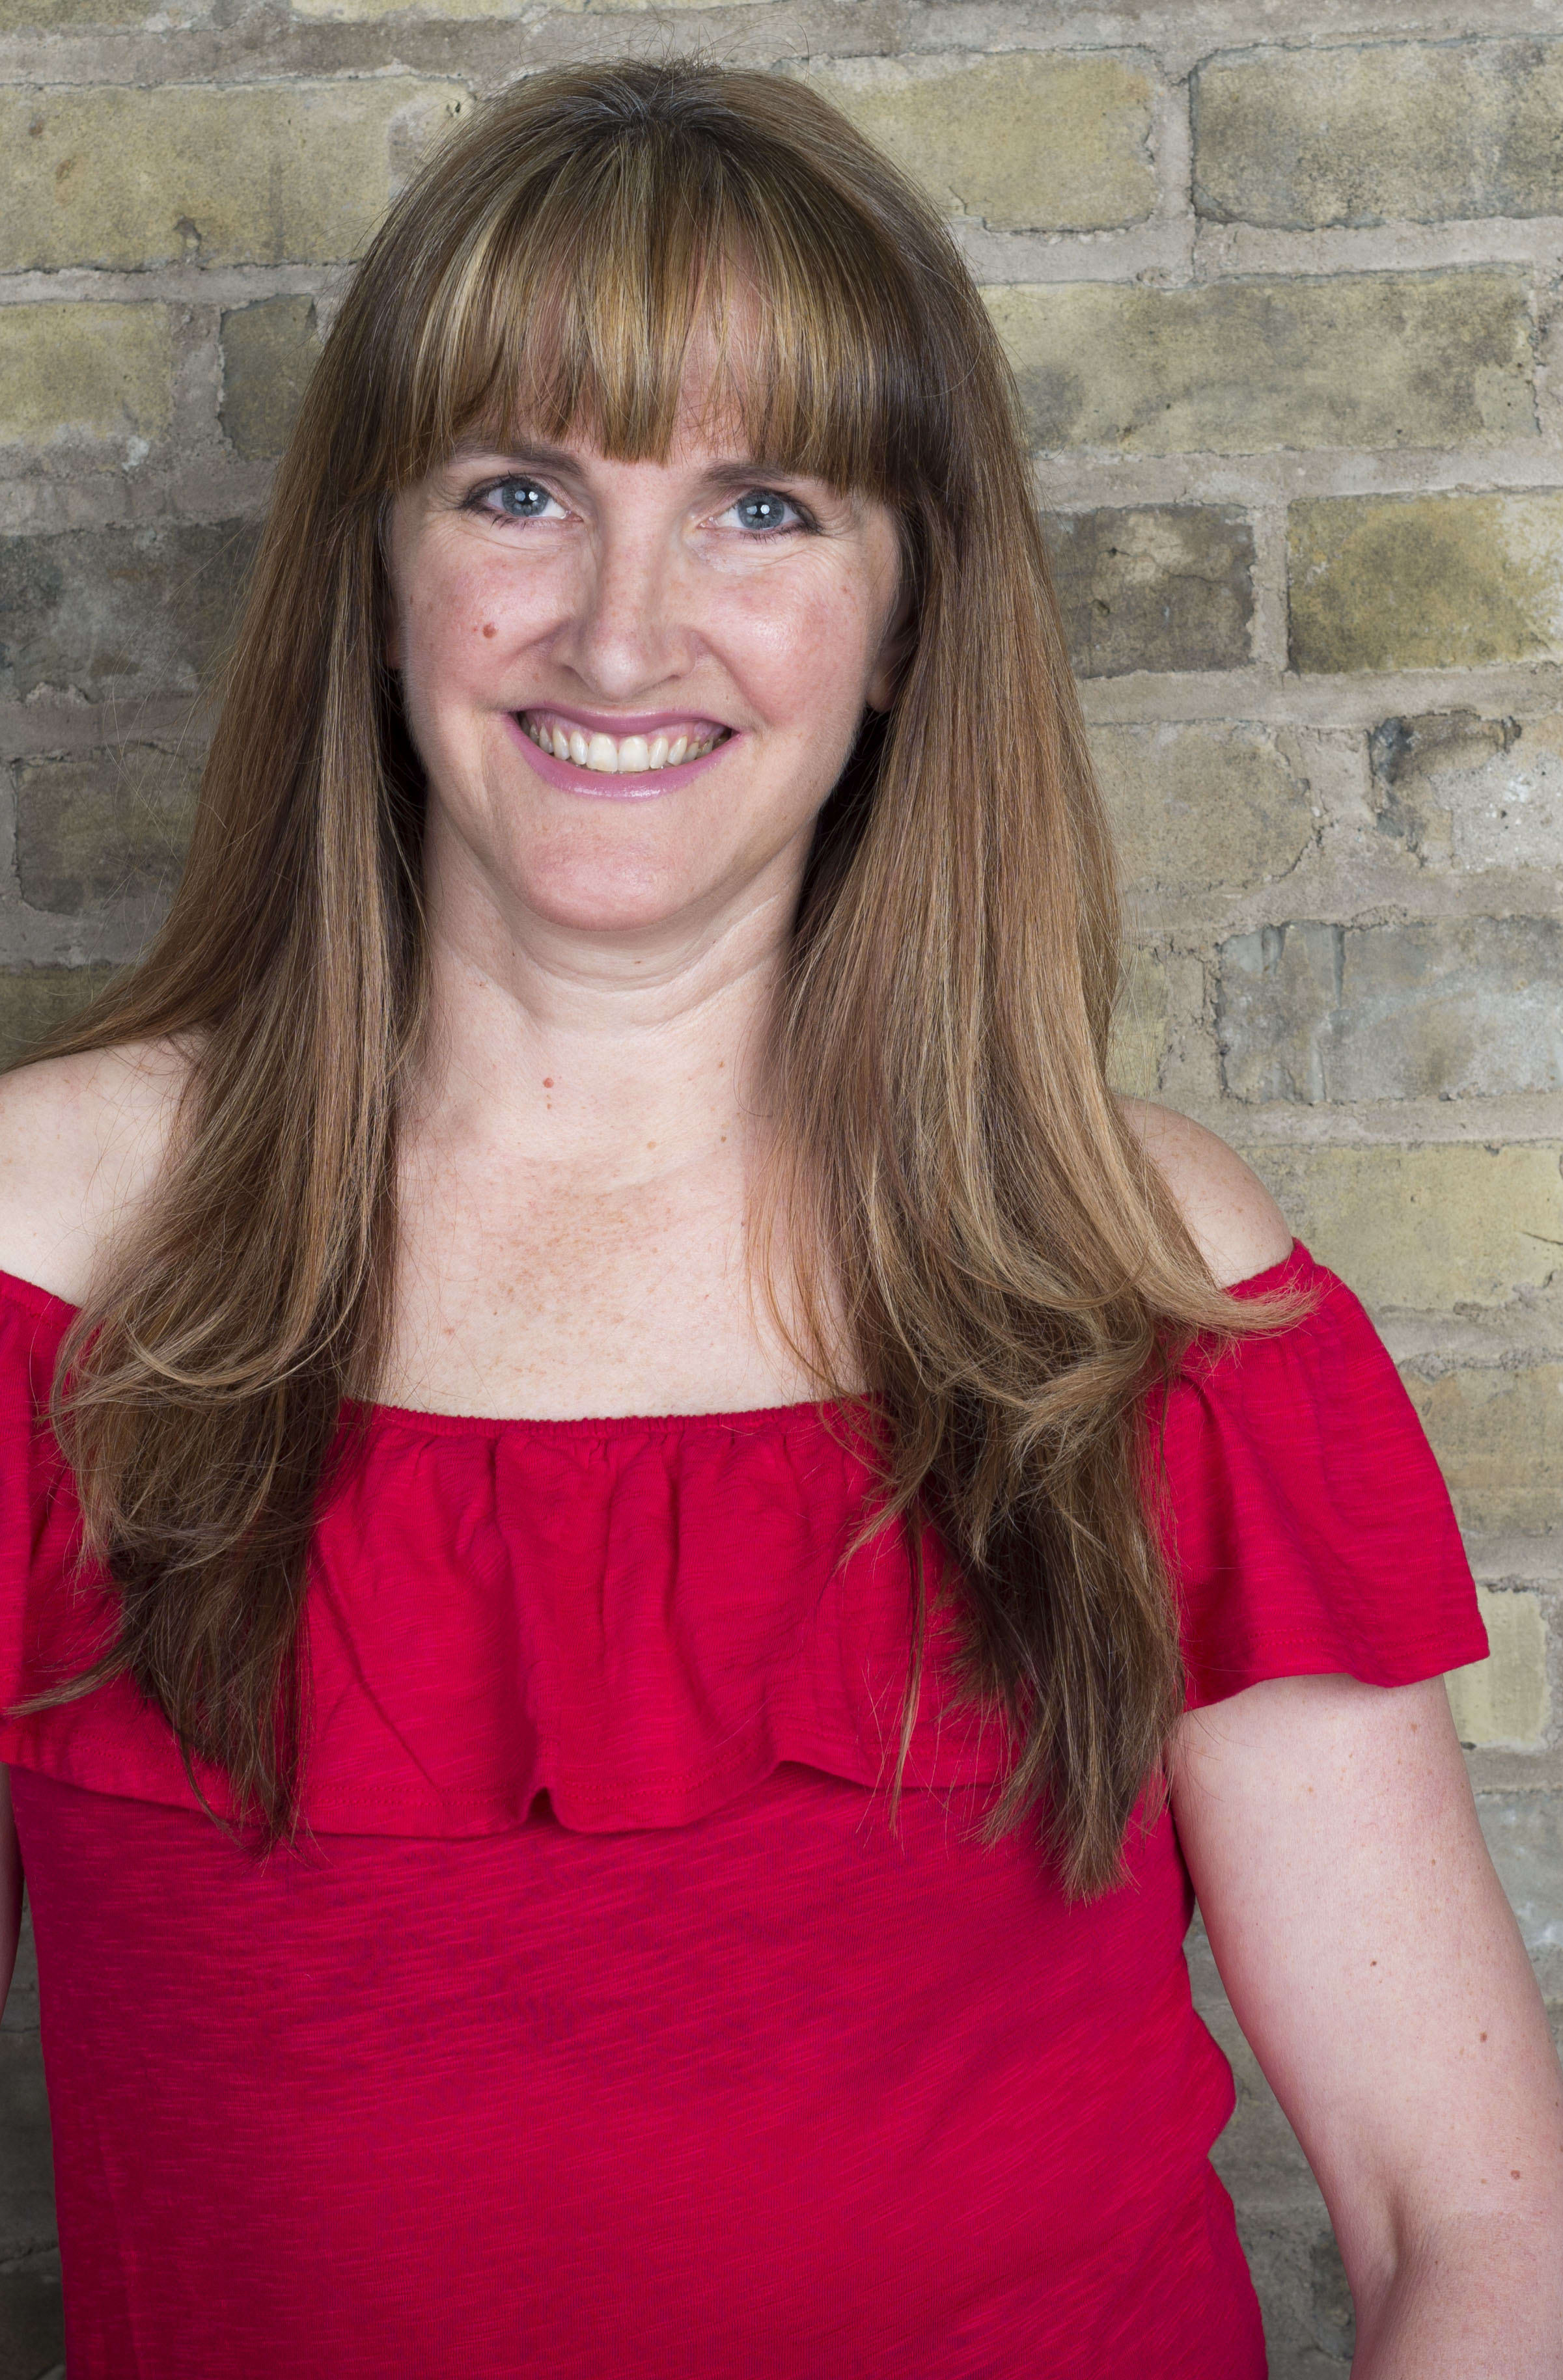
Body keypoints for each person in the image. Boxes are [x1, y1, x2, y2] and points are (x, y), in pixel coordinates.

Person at [0, 57, 1558, 2379]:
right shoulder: (50, 1259)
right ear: (376, 571)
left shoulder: (1123, 1269)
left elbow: (1474, 2222)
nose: (622, 637)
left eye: (760, 509)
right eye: (519, 491)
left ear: (906, 614)